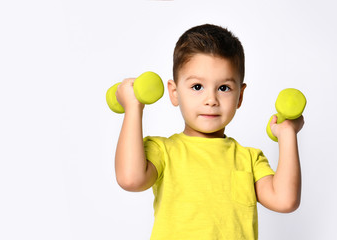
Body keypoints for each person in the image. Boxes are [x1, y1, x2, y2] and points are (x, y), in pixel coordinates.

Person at [114, 24, 304, 239]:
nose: (211, 100)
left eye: (223, 88)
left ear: (239, 96)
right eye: (197, 87)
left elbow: (285, 200)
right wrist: (133, 108)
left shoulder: (249, 158)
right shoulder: (163, 150)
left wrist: (287, 134)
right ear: (175, 93)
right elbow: (130, 179)